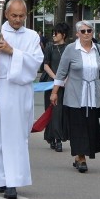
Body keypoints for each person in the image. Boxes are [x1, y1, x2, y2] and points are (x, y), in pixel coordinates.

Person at [0, 0, 43, 199]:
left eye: (21, 16)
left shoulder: (32, 36)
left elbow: (35, 61)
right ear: (6, 15)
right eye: (14, 16)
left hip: (22, 91)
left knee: (18, 138)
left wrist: (12, 51)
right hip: (1, 89)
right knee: (1, 137)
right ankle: (6, 180)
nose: (17, 20)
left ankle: (10, 178)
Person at [50, 20, 100, 173]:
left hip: (93, 94)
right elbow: (61, 72)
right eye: (83, 31)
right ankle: (81, 157)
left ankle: (80, 155)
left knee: (90, 125)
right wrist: (54, 92)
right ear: (77, 34)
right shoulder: (71, 49)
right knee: (78, 126)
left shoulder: (98, 49)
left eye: (89, 31)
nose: (87, 34)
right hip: (74, 95)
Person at [40, 22, 70, 152]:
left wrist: (65, 78)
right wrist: (56, 77)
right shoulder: (49, 47)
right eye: (53, 32)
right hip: (50, 83)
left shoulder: (69, 48)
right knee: (50, 109)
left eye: (56, 33)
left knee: (59, 111)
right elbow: (45, 65)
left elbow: (71, 65)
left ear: (63, 34)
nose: (53, 35)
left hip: (65, 84)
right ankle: (51, 137)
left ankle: (58, 139)